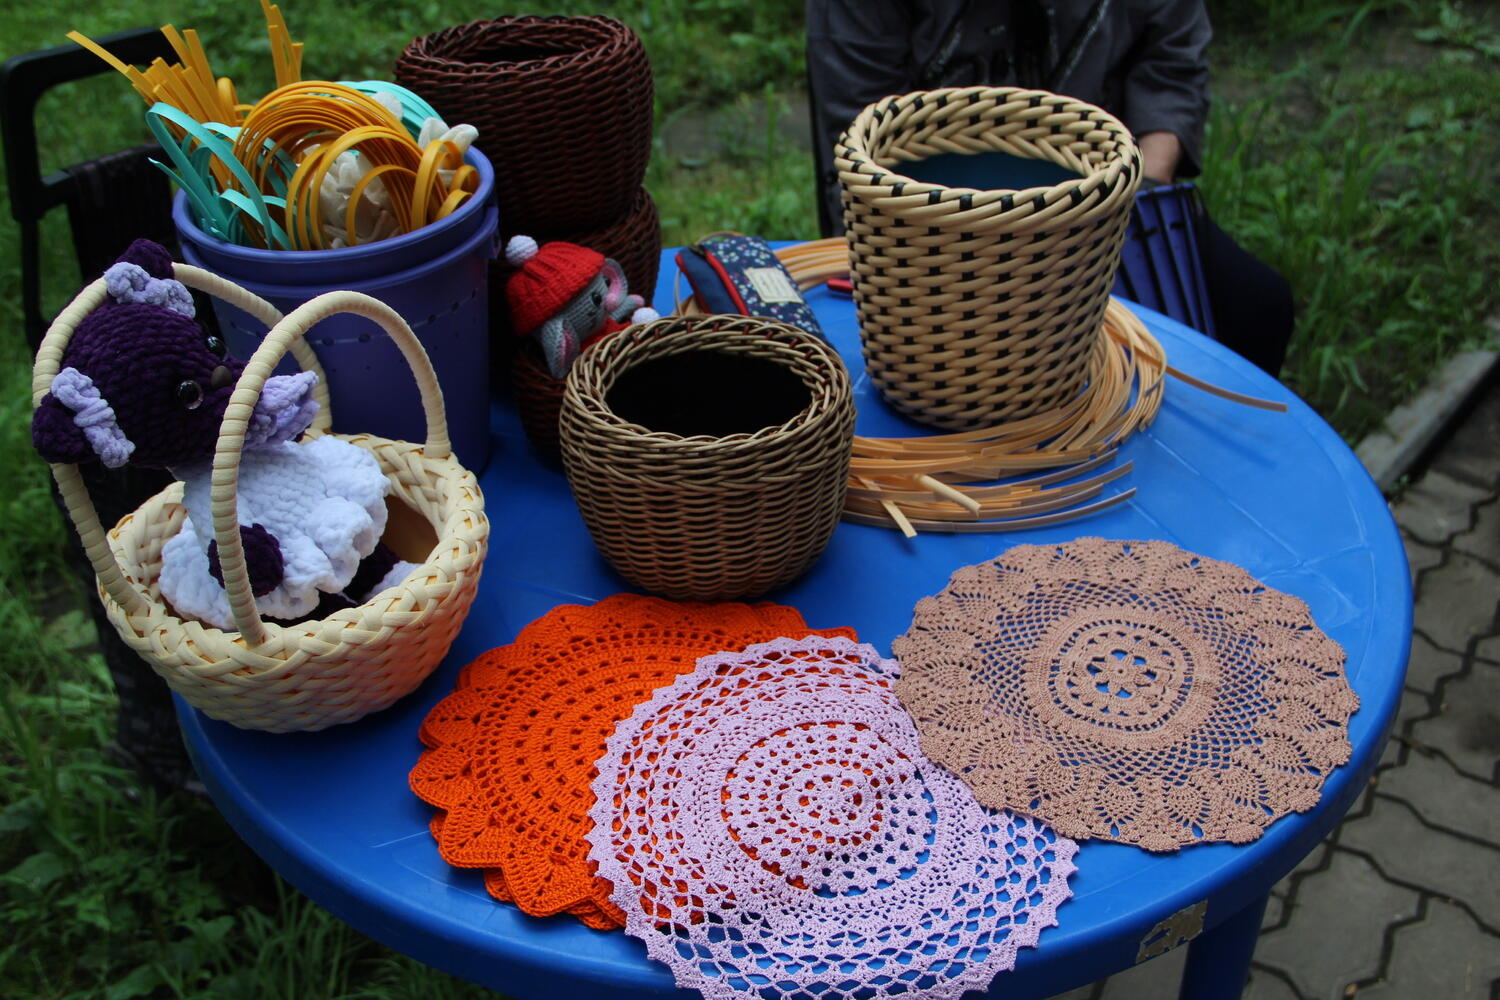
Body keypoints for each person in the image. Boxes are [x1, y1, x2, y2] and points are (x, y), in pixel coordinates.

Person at [806, 0, 1294, 376]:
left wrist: (1134, 195)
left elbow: (1170, 61)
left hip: (1108, 206)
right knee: (967, 385)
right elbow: (863, 132)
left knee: (1255, 306)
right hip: (931, 231)